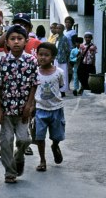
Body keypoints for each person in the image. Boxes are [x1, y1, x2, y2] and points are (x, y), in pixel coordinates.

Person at [0, 24, 38, 184]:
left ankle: (18, 157)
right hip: (6, 110)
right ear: (7, 42)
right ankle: (10, 172)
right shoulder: (2, 61)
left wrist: (29, 105)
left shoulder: (31, 61)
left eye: (19, 38)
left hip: (23, 111)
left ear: (26, 41)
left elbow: (34, 84)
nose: (16, 42)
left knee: (24, 140)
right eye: (12, 39)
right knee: (5, 141)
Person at [33, 42, 65, 172]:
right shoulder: (35, 72)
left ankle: (55, 145)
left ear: (53, 57)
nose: (43, 57)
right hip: (40, 109)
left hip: (56, 108)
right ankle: (42, 160)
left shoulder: (59, 72)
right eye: (40, 54)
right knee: (39, 136)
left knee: (57, 135)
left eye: (46, 55)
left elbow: (61, 86)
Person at [55, 24, 71, 97]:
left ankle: (63, 91)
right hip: (56, 59)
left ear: (63, 29)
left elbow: (67, 49)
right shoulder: (57, 38)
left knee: (63, 75)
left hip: (62, 60)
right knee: (57, 75)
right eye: (57, 28)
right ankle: (57, 89)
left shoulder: (64, 38)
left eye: (60, 28)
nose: (58, 30)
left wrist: (67, 59)